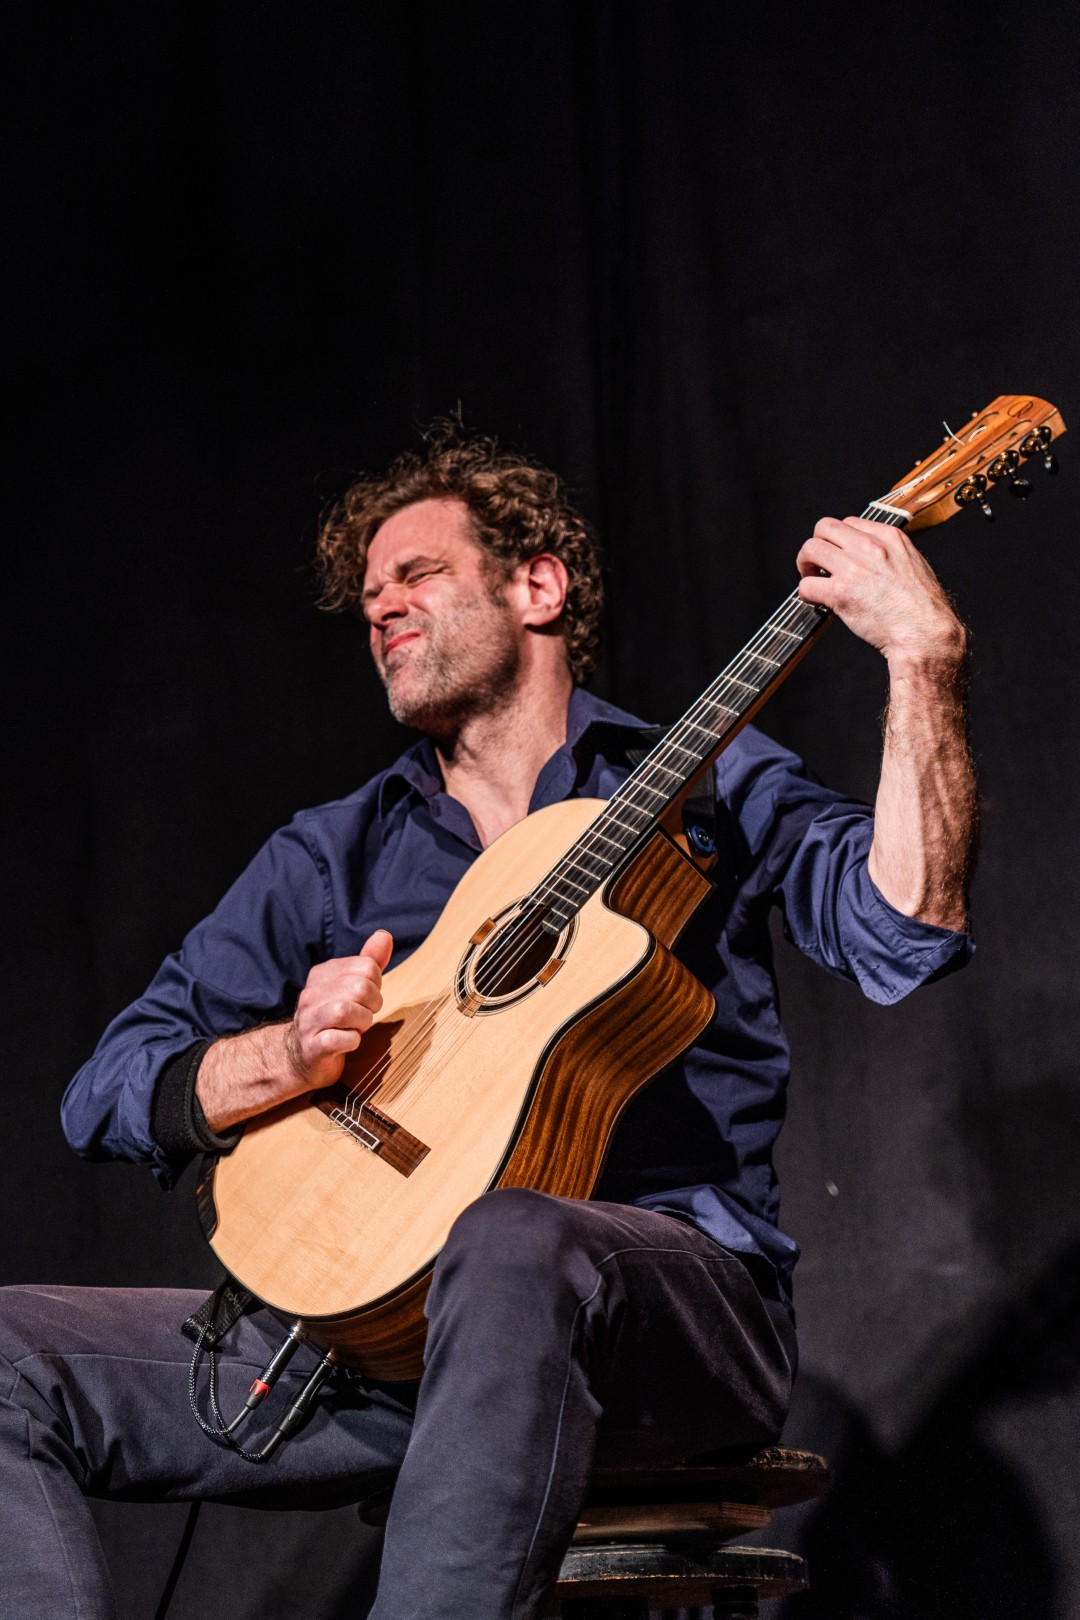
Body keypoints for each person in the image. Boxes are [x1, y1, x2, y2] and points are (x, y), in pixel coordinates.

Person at [0, 426, 976, 1620]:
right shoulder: (332, 852)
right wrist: (286, 1054)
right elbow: (107, 1088)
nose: (381, 609)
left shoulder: (709, 782)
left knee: (513, 1238)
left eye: (416, 575)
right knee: (8, 1357)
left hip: (663, 1324)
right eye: (367, 597)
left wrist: (922, 659)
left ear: (539, 586)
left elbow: (906, 932)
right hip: (379, 1346)